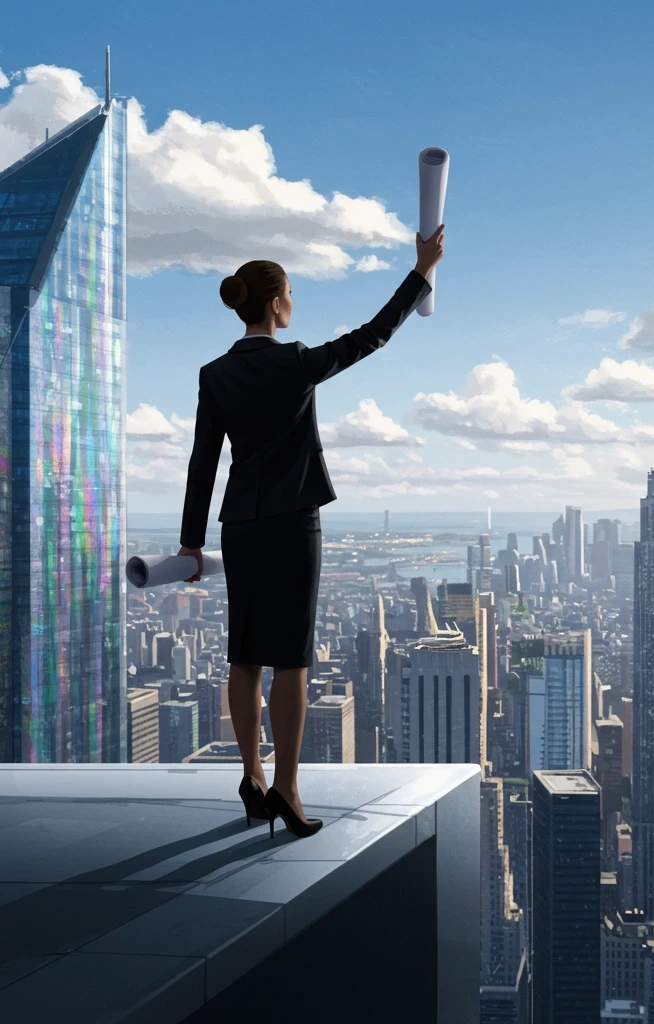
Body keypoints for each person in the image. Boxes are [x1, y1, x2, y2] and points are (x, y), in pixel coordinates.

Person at [176, 225, 445, 838]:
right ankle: (288, 789)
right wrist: (422, 271)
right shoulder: (296, 364)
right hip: (294, 525)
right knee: (291, 662)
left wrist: (192, 541)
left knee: (242, 656)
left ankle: (251, 776)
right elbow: (373, 335)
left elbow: (203, 461)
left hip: (240, 526)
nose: (293, 300)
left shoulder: (213, 375)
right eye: (291, 292)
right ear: (275, 304)